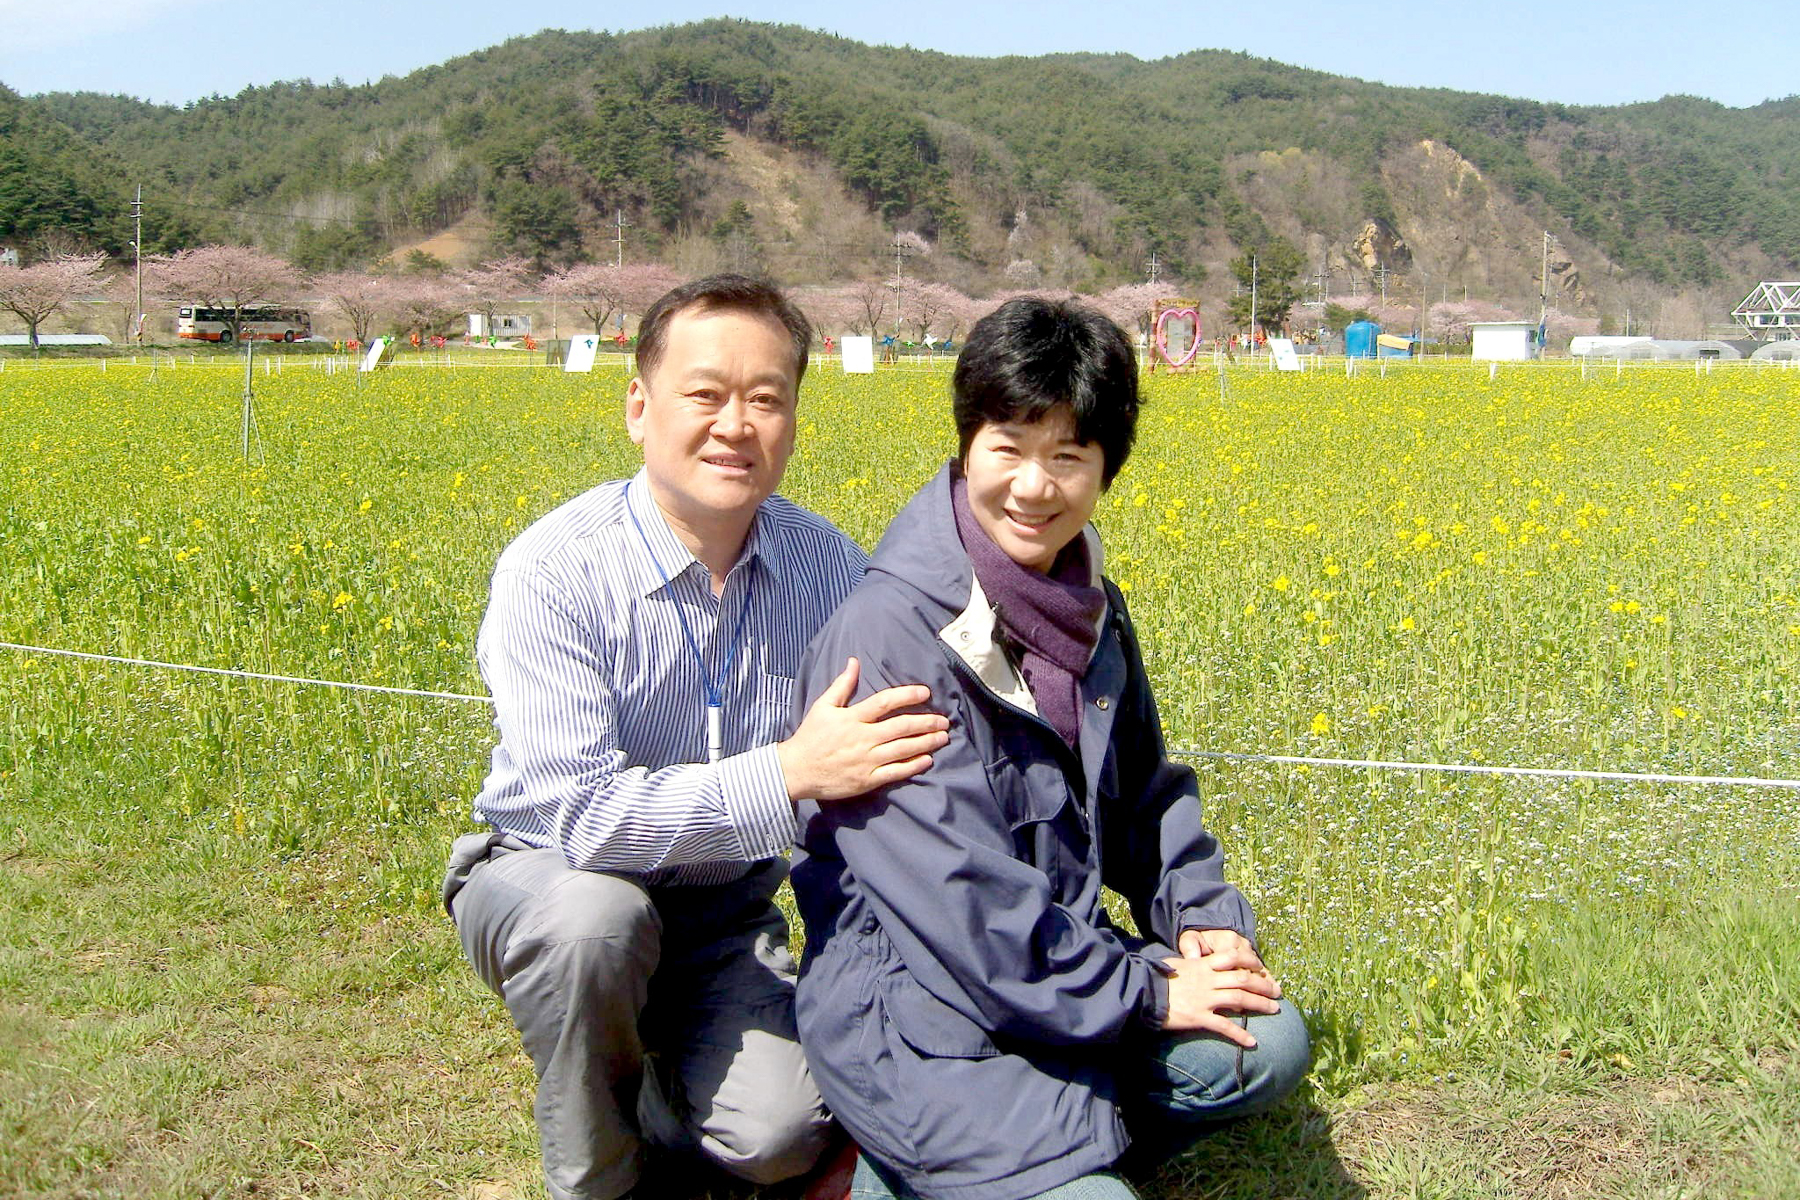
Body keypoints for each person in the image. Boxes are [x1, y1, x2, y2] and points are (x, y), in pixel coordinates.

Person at [443, 274, 951, 1200]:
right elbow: (585, 820)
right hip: (546, 878)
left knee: (782, 1135)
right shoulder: (554, 570)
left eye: (767, 399)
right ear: (639, 407)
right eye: (705, 394)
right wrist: (793, 772)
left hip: (722, 913)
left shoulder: (831, 567)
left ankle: (658, 1098)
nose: (736, 424)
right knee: (596, 926)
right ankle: (601, 1177)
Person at [790, 297, 1310, 1200]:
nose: (1034, 487)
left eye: (1067, 456)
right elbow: (960, 906)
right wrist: (1147, 995)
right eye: (1008, 448)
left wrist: (1202, 920)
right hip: (923, 1010)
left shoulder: (1087, 607)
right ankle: (916, 1157)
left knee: (1270, 1043)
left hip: (1053, 966)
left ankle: (1008, 1150)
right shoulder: (889, 637)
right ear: (965, 446)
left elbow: (1146, 796)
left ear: (1105, 468)